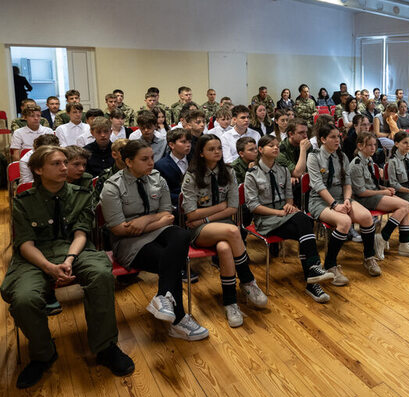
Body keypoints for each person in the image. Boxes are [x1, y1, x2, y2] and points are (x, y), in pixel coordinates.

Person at [2, 146, 134, 389]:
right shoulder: (23, 201)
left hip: (73, 248)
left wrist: (69, 259)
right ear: (38, 170)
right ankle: (43, 354)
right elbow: (25, 244)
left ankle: (105, 347)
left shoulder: (81, 194)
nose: (64, 168)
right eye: (56, 164)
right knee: (23, 298)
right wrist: (48, 267)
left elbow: (81, 233)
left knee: (100, 274)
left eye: (65, 162)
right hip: (36, 255)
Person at [100, 140, 208, 341]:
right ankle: (179, 320)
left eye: (152, 157)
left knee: (182, 235)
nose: (151, 162)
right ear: (129, 162)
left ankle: (163, 296)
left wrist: (143, 221)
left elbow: (168, 214)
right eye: (144, 159)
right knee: (172, 260)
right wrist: (155, 220)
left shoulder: (157, 178)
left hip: (157, 231)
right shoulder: (112, 186)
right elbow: (118, 229)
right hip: (129, 243)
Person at [181, 135, 268, 327]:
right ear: (201, 153)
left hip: (219, 224)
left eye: (219, 148)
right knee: (233, 231)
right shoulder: (192, 176)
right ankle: (248, 280)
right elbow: (191, 213)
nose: (217, 152)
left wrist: (206, 216)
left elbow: (233, 208)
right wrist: (219, 208)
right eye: (211, 149)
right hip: (200, 231)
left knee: (224, 248)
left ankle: (230, 303)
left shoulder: (228, 171)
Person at [245, 135, 335, 303]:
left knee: (304, 226)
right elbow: (253, 206)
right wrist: (278, 212)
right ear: (260, 150)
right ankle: (313, 274)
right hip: (266, 220)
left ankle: (312, 277)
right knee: (305, 223)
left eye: (277, 145)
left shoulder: (283, 170)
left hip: (284, 216)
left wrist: (289, 205)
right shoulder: (252, 174)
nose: (275, 148)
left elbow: (288, 196)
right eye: (271, 145)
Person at [307, 122, 383, 282]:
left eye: (338, 137)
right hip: (320, 201)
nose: (337, 140)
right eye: (333, 137)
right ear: (323, 139)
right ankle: (330, 265)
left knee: (366, 217)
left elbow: (347, 183)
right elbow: (318, 186)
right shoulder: (313, 157)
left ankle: (369, 257)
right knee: (345, 221)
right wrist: (335, 205)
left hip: (342, 198)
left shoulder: (342, 156)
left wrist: (347, 199)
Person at [350, 132, 409, 259]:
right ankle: (382, 237)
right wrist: (383, 192)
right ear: (360, 146)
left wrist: (385, 188)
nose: (373, 148)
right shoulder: (356, 164)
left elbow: (373, 185)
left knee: (406, 205)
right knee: (404, 206)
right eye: (369, 145)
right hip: (363, 200)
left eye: (374, 145)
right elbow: (361, 192)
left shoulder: (369, 160)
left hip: (374, 194)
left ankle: (404, 243)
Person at [154, 128, 192, 208]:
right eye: (183, 142)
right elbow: (162, 191)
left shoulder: (194, 160)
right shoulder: (161, 165)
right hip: (175, 205)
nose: (188, 145)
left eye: (189, 142)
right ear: (171, 145)